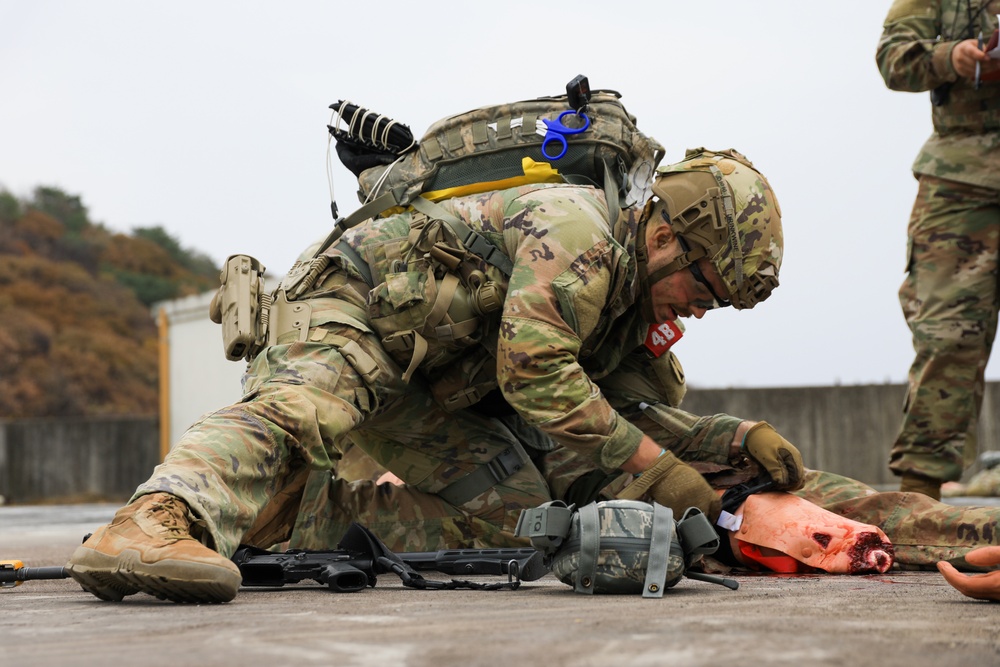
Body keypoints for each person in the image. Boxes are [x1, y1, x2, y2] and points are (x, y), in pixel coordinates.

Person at [876, 0, 1000, 500]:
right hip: (961, 183)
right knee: (947, 337)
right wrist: (954, 57)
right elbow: (894, 58)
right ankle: (919, 497)